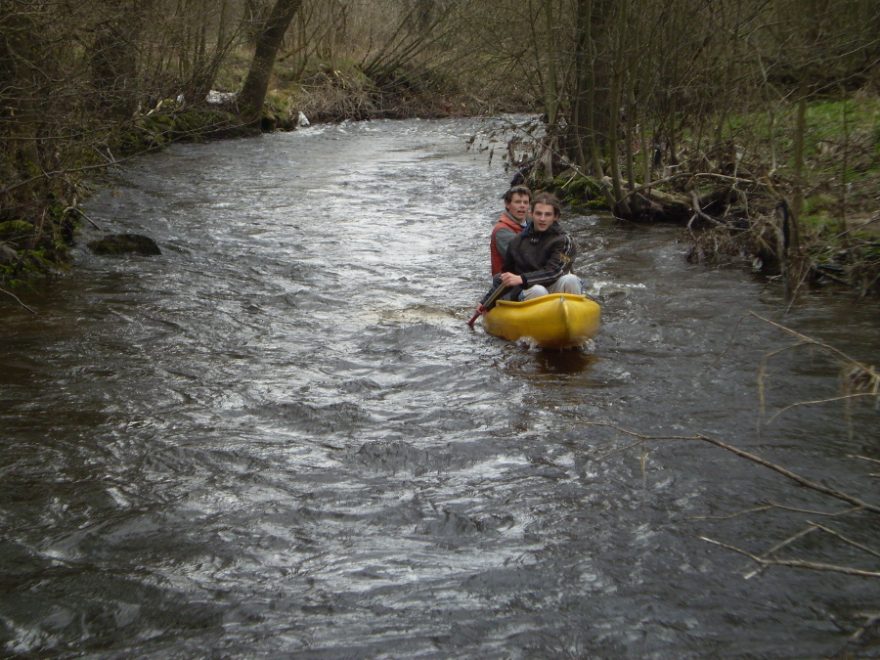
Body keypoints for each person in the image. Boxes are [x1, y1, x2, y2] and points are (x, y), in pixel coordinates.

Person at [478, 192, 582, 312]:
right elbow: (506, 276)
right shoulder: (517, 242)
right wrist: (485, 302)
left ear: (555, 217)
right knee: (538, 290)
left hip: (552, 285)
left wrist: (522, 278)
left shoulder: (564, 241)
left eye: (547, 214)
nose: (542, 219)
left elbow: (554, 272)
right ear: (531, 214)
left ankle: (574, 316)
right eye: (538, 214)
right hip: (530, 290)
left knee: (571, 280)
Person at [490, 185, 531, 276]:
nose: (522, 206)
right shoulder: (501, 231)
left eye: (525, 202)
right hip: (508, 283)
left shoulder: (534, 222)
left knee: (569, 279)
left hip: (533, 276)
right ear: (507, 204)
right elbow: (522, 260)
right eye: (517, 202)